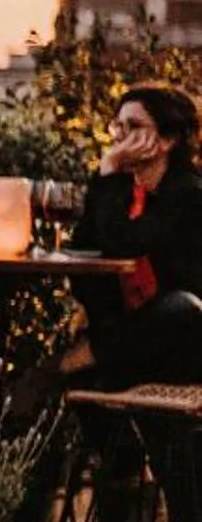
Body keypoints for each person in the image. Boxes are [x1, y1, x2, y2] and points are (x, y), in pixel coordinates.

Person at [61, 84, 202, 389]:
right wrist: (106, 180)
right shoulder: (119, 190)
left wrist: (109, 170)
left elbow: (125, 246)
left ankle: (86, 356)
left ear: (167, 139)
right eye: (118, 126)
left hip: (178, 344)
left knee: (183, 307)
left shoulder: (188, 194)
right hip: (127, 341)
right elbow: (82, 255)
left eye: (134, 126)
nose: (120, 138)